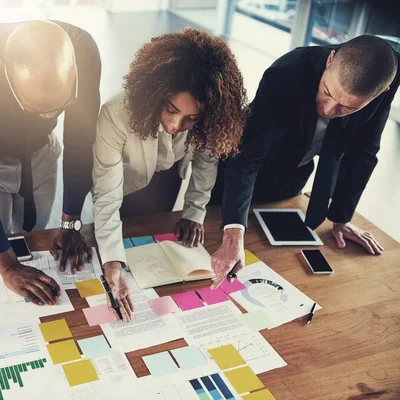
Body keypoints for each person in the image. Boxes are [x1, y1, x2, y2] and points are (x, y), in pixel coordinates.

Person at [210, 35, 399, 289]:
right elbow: (248, 156)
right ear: (330, 61)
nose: (330, 110)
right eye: (327, 92)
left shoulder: (385, 78)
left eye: (347, 108)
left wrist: (341, 217)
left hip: (292, 178)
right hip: (240, 179)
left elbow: (364, 149)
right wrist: (233, 231)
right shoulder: (288, 71)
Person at [0, 20, 101, 306]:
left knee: (33, 235)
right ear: (8, 79)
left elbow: (81, 142)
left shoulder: (83, 50)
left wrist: (72, 221)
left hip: (41, 153)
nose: (50, 118)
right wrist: (8, 267)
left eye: (59, 109)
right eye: (38, 110)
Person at [92, 29, 248, 321]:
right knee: (111, 237)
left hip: (168, 176)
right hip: (124, 182)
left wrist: (194, 212)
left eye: (192, 118)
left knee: (154, 234)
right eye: (171, 109)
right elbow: (106, 194)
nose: (176, 124)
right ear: (156, 92)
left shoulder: (208, 121)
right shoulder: (115, 113)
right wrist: (113, 262)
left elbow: (205, 163)